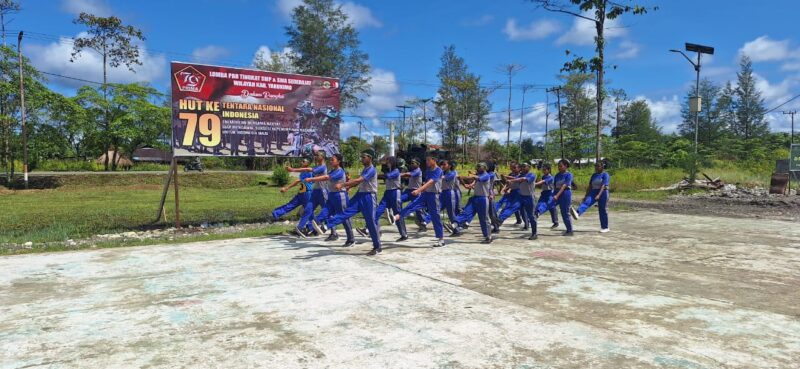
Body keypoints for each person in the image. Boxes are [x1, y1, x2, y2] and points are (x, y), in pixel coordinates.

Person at [325, 149, 383, 255]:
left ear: (370, 158)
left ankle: (377, 246)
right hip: (360, 194)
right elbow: (357, 183)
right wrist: (348, 186)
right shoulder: (365, 169)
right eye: (361, 157)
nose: (362, 159)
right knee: (346, 211)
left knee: (370, 222)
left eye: (364, 157)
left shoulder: (371, 170)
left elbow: (358, 180)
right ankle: (327, 225)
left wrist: (343, 185)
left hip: (369, 196)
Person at [393, 155, 446, 247]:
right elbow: (426, 182)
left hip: (434, 196)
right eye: (426, 160)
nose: (427, 162)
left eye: (428, 160)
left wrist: (418, 190)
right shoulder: (428, 170)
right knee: (413, 205)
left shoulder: (438, 170)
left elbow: (431, 182)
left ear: (434, 160)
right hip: (425, 194)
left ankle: (441, 239)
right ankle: (396, 217)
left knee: (435, 216)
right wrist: (422, 190)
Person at [305, 154, 354, 245]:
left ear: (338, 161)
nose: (331, 161)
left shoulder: (339, 171)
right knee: (324, 212)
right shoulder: (332, 171)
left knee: (343, 217)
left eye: (333, 160)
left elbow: (326, 177)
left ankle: (351, 239)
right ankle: (311, 227)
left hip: (340, 196)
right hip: (332, 195)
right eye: (330, 160)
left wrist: (312, 179)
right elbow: (326, 177)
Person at [270, 158, 315, 238]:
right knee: (291, 205)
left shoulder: (309, 170)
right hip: (301, 193)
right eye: (302, 160)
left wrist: (292, 169)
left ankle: (312, 226)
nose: (301, 162)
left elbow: (306, 169)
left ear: (308, 162)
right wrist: (287, 188)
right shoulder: (302, 172)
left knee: (309, 211)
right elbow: (298, 181)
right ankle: (275, 214)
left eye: (303, 161)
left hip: (308, 193)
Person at [287, 151, 329, 235]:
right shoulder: (317, 166)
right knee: (307, 210)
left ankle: (331, 230)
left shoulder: (322, 167)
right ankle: (301, 228)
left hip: (322, 191)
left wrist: (293, 169)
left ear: (322, 157)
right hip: (315, 191)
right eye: (315, 155)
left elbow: (307, 169)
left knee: (327, 211)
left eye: (317, 155)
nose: (315, 157)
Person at [450, 162, 493, 244]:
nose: (477, 168)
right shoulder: (478, 176)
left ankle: (488, 236)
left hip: (483, 198)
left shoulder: (486, 175)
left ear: (484, 168)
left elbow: (475, 177)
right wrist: (463, 180)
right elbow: (472, 180)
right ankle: (456, 223)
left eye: (479, 167)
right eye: (477, 166)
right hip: (475, 198)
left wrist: (465, 176)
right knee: (466, 211)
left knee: (484, 218)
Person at [374, 156, 409, 241]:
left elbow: (386, 176)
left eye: (388, 161)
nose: (387, 163)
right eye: (387, 161)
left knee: (397, 213)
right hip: (387, 193)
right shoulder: (389, 170)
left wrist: (374, 175)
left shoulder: (396, 171)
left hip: (395, 193)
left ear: (393, 162)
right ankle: (369, 229)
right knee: (379, 210)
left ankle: (404, 234)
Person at [571, 162, 610, 233]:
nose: (596, 168)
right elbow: (590, 186)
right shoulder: (594, 175)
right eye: (595, 166)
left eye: (598, 166)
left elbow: (603, 185)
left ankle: (605, 227)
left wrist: (599, 195)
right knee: (587, 202)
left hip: (603, 192)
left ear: (602, 167)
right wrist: (586, 195)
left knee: (602, 210)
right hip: (593, 191)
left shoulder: (605, 174)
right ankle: (577, 213)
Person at [503, 162, 538, 240]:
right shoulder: (521, 175)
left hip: (529, 197)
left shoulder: (532, 175)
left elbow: (522, 179)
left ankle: (534, 233)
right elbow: (515, 178)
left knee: (531, 216)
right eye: (522, 166)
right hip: (521, 197)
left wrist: (512, 180)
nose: (522, 168)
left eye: (524, 166)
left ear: (529, 167)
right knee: (513, 208)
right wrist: (507, 179)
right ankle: (499, 220)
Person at [551, 159, 574, 236]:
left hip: (565, 194)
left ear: (566, 166)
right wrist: (553, 194)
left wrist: (557, 195)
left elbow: (564, 186)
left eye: (561, 166)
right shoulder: (557, 175)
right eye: (558, 166)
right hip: (557, 192)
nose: (559, 167)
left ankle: (570, 230)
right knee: (550, 205)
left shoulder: (569, 175)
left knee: (564, 212)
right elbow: (554, 186)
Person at [534, 163, 560, 229]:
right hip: (544, 193)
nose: (543, 171)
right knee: (539, 204)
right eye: (543, 170)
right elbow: (542, 184)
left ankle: (555, 222)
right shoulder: (543, 176)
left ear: (548, 170)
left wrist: (535, 184)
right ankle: (537, 213)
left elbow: (543, 182)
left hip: (550, 194)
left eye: (545, 170)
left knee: (551, 206)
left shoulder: (550, 177)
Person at [439, 159, 461, 229]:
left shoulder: (452, 173)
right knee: (437, 208)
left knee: (451, 212)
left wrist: (439, 172)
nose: (443, 166)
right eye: (442, 165)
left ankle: (456, 227)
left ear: (449, 166)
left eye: (445, 164)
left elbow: (442, 178)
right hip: (442, 193)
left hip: (450, 193)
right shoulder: (442, 172)